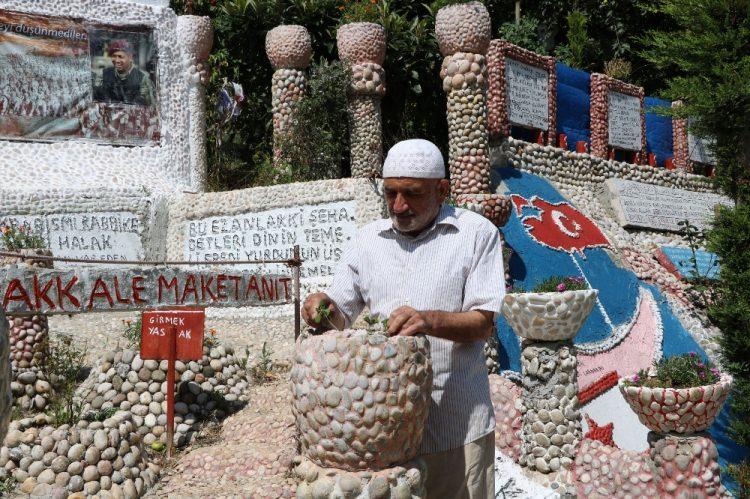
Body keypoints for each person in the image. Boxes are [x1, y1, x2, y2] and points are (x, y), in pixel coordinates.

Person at [302, 139, 505, 498]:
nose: (398, 206)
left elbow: (484, 322)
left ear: (442, 190)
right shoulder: (367, 240)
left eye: (411, 194)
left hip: (455, 425)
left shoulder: (476, 234)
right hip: (386, 433)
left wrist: (428, 321)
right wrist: (322, 308)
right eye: (390, 193)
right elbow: (340, 316)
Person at [94, 39, 154, 107]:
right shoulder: (103, 74)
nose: (117, 60)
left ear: (130, 58)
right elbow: (97, 101)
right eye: (114, 56)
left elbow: (149, 105)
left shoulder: (143, 77)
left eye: (120, 57)